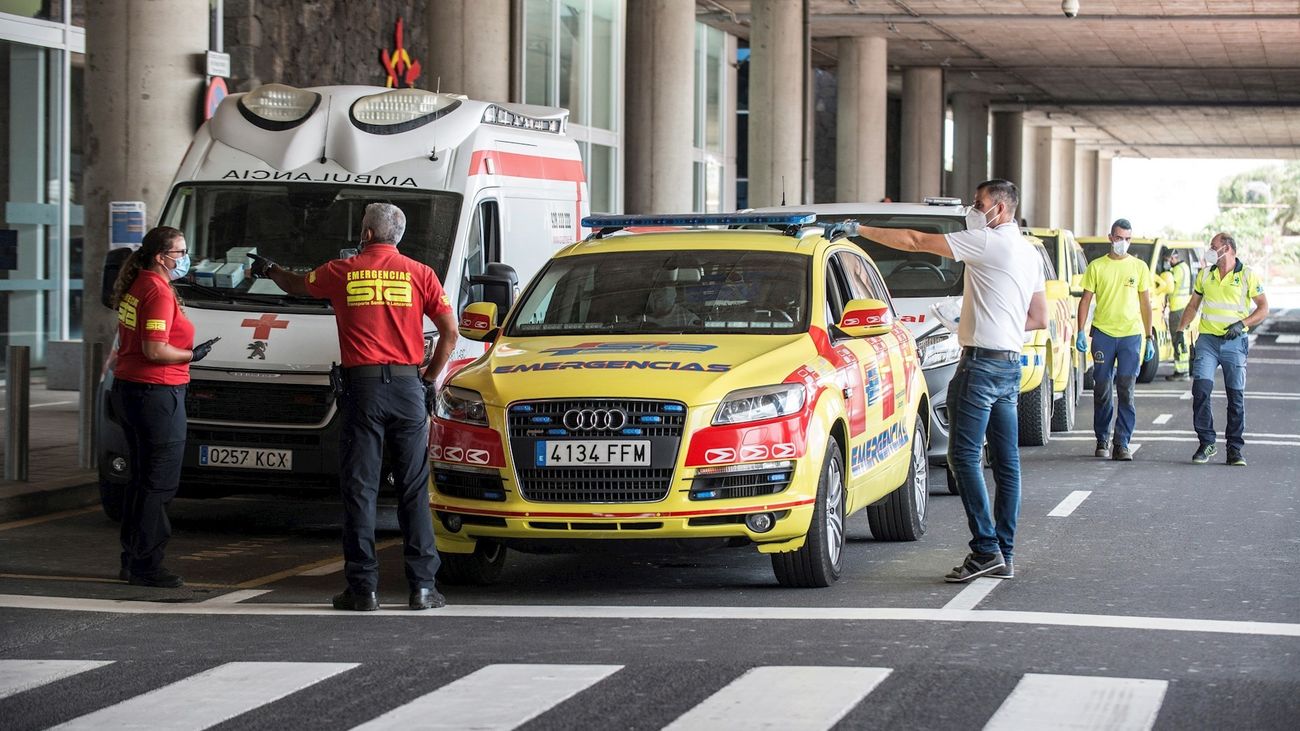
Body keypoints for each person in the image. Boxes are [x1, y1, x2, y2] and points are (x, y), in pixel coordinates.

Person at [252, 203, 459, 610]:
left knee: (361, 489)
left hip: (363, 391)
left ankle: (363, 589)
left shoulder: (340, 271)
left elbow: (296, 285)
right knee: (414, 489)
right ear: (398, 237)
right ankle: (422, 588)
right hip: (407, 389)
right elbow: (450, 334)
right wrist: (427, 377)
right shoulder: (422, 274)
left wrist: (270, 270)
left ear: (365, 235)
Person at [856, 179, 1047, 582]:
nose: (973, 210)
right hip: (1009, 364)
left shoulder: (988, 241)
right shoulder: (1028, 253)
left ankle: (984, 550)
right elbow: (1038, 318)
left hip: (979, 367)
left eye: (978, 204)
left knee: (962, 458)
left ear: (999, 208)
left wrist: (859, 230)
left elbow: (913, 241)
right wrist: (989, 322)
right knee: (1007, 463)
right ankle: (1003, 553)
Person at [109, 226, 218, 588]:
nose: (185, 258)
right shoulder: (156, 291)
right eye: (180, 252)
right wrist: (192, 354)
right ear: (162, 256)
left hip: (131, 391)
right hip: (156, 395)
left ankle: (133, 558)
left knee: (141, 480)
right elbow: (155, 350)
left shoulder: (138, 283)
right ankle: (148, 566)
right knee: (159, 484)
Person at [1177, 232, 1268, 466]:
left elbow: (1263, 308)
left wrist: (1242, 324)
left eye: (1213, 246)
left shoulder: (1247, 275)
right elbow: (1193, 305)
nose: (1210, 249)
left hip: (1234, 343)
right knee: (1201, 390)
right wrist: (1180, 330)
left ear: (1226, 248)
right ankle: (1206, 442)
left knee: (1235, 397)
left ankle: (1234, 449)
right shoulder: (1205, 274)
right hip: (1207, 340)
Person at [1075, 218, 1154, 462]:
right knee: (1102, 388)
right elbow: (1086, 300)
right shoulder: (1097, 267)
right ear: (1110, 237)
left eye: (1128, 239)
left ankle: (1122, 442)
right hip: (1104, 334)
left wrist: (1149, 337)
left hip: (1131, 335)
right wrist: (1080, 330)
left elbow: (1145, 303)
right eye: (1119, 238)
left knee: (1127, 390)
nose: (1123, 243)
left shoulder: (1139, 267)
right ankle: (1102, 438)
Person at [1160, 248, 1193, 380]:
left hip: (1178, 309)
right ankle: (1184, 370)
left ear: (1173, 258)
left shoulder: (1177, 270)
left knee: (1178, 339)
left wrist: (1165, 274)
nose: (1167, 263)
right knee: (1182, 339)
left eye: (1167, 260)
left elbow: (1169, 287)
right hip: (1183, 308)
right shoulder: (1185, 267)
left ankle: (1181, 372)